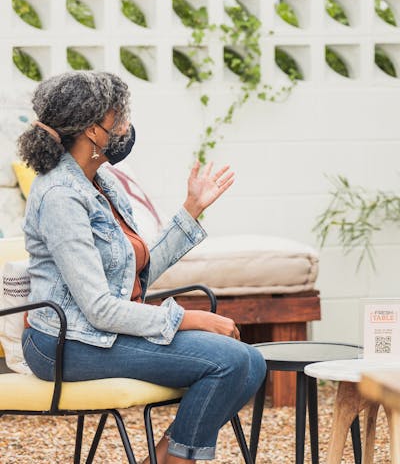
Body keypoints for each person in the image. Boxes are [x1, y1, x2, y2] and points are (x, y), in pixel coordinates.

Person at [17, 71, 266, 463]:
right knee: (230, 362)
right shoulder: (61, 196)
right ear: (92, 132)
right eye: (118, 117)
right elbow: (98, 307)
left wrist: (192, 209)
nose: (126, 127)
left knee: (250, 363)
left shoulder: (102, 183)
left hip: (97, 331)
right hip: (63, 342)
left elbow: (134, 269)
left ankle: (163, 459)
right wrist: (190, 319)